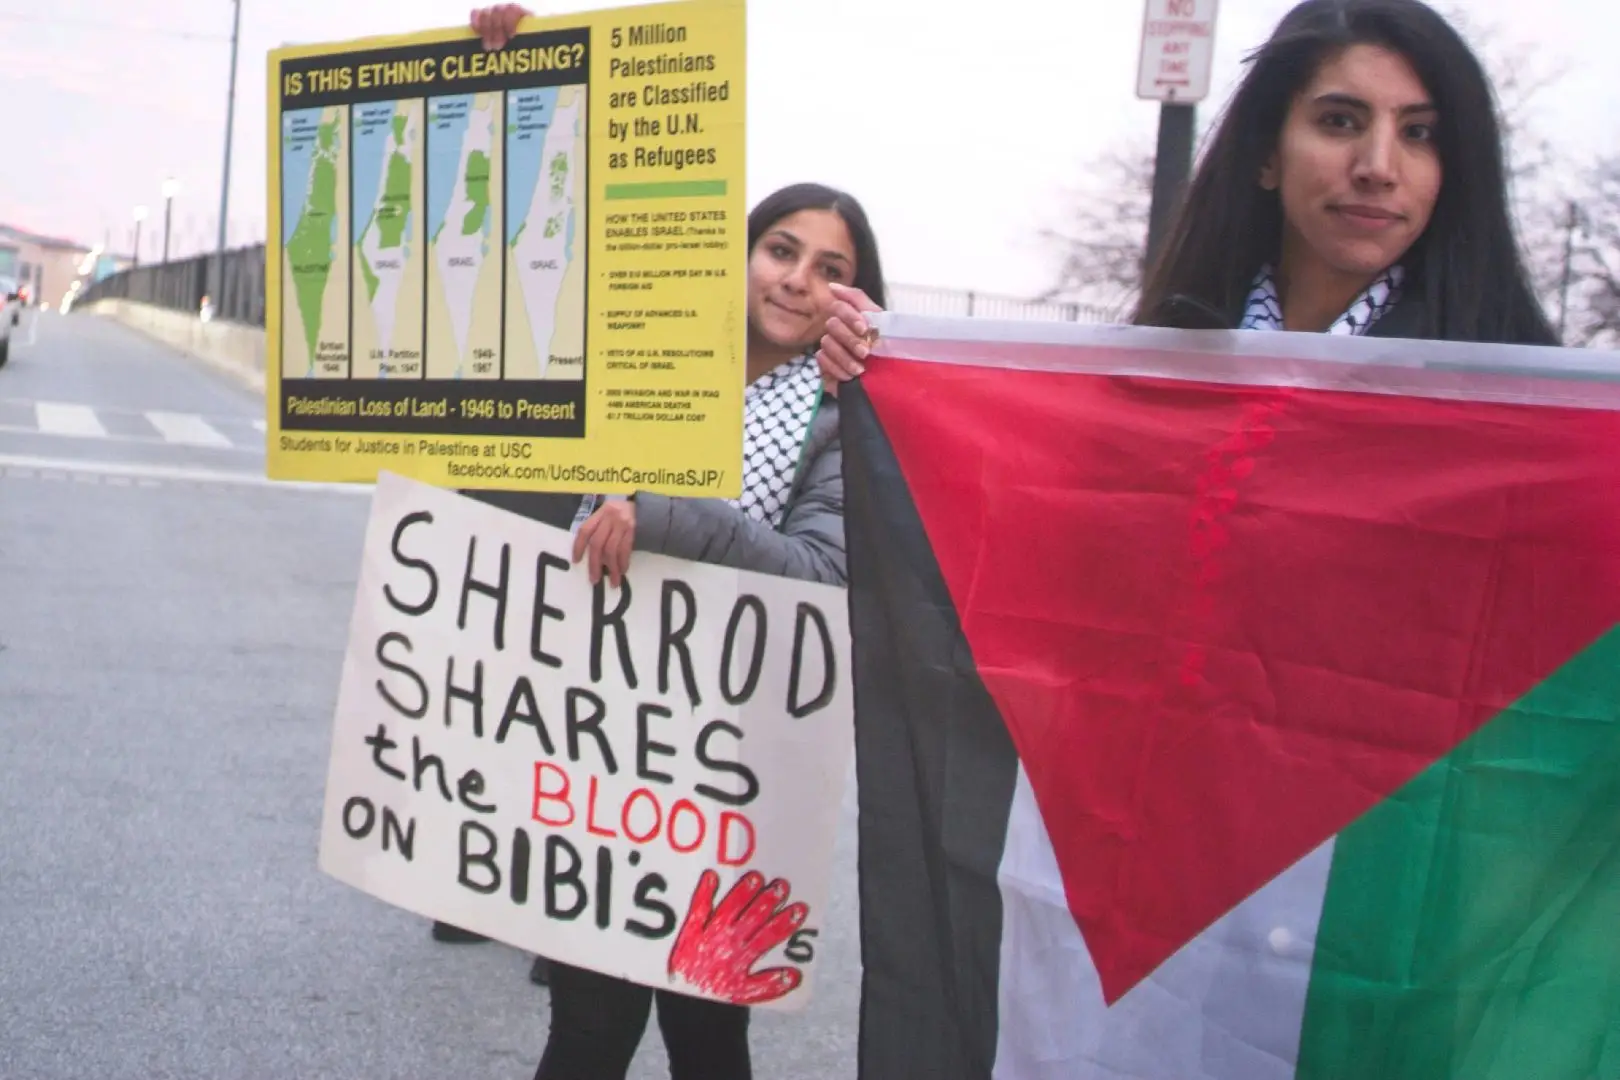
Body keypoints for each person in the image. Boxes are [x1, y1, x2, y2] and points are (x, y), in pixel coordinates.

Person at [817, 0, 1556, 387]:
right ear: (1267, 153)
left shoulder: (1519, 402)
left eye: (1420, 134)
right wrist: (899, 366)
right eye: (1340, 121)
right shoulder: (1162, 352)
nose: (1378, 165)